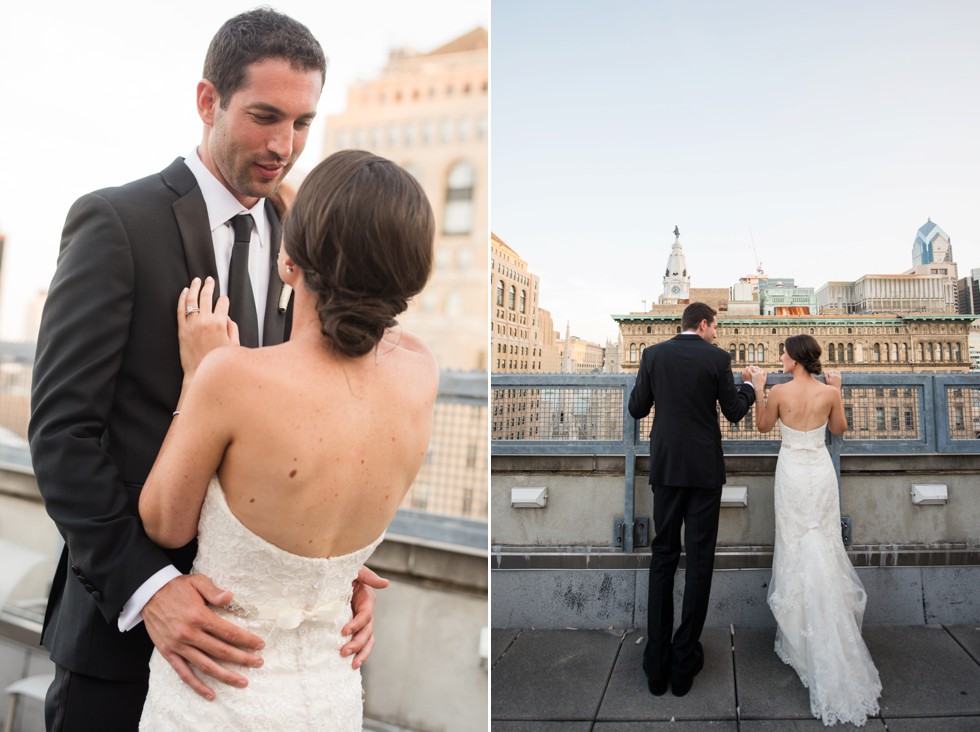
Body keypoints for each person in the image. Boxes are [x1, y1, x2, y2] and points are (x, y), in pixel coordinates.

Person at [29, 10, 383, 731]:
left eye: (303, 123)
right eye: (264, 116)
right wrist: (149, 590)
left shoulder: (300, 239)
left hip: (251, 659)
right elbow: (63, 434)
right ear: (207, 101)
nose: (284, 146)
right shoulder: (116, 223)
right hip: (120, 641)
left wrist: (332, 570)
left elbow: (313, 418)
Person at [137, 149, 437, 730]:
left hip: (217, 698)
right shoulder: (421, 371)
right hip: (331, 695)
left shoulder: (233, 378)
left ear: (288, 258)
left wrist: (198, 375)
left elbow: (164, 524)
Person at [749, 335, 881, 726]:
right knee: (822, 541)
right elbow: (839, 429)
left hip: (791, 471)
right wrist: (837, 391)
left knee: (794, 542)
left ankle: (800, 637)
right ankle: (831, 631)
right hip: (820, 471)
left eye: (783, 353)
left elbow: (761, 426)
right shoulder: (829, 392)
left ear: (794, 358)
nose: (780, 358)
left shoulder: (778, 391)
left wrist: (758, 389)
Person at [628, 302, 755, 697]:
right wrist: (751, 386)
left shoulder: (653, 355)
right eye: (715, 326)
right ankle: (684, 665)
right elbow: (733, 412)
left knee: (663, 557)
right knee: (699, 562)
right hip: (703, 472)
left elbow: (637, 408)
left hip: (666, 470)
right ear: (702, 324)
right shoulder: (718, 358)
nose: (717, 333)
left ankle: (656, 664)